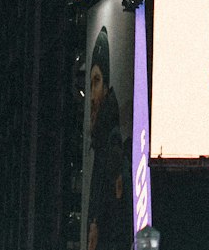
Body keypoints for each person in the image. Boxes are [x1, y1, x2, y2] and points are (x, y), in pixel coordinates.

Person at [87, 26, 128, 250]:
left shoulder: (111, 142)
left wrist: (96, 224)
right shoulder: (102, 139)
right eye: (91, 83)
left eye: (97, 81)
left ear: (106, 85)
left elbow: (116, 214)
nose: (92, 94)